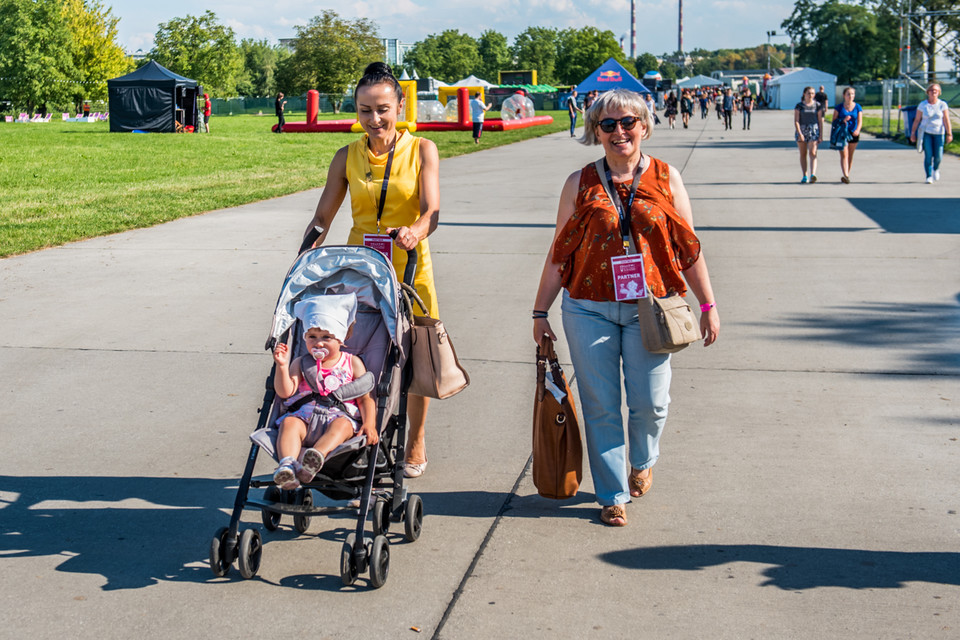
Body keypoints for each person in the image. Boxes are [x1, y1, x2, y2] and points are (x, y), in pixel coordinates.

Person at [531, 88, 720, 527]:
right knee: (600, 403)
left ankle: (643, 459)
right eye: (608, 124)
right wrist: (540, 312)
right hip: (587, 307)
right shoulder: (579, 183)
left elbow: (688, 248)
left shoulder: (667, 178)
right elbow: (560, 253)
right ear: (596, 131)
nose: (619, 132)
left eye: (627, 122)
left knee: (651, 403)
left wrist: (708, 303)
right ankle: (612, 494)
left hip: (650, 309)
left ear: (644, 126)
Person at [304, 62, 440, 478]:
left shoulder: (422, 150)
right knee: (358, 354)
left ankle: (415, 440)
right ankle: (351, 431)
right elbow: (323, 216)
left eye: (382, 109)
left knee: (416, 357)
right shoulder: (347, 156)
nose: (374, 119)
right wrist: (305, 255)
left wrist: (415, 232)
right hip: (360, 268)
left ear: (400, 105)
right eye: (365, 110)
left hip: (409, 264)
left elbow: (431, 211)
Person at [271, 293, 377, 490]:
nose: (318, 343)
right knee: (289, 422)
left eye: (326, 337)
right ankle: (287, 465)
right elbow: (286, 392)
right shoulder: (301, 362)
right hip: (304, 418)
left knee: (343, 426)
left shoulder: (352, 362)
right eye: (312, 337)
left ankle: (315, 457)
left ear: (342, 336)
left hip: (338, 417)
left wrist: (370, 423)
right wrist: (282, 367)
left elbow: (365, 398)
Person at [910, 83, 953, 183]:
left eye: (936, 91)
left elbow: (946, 120)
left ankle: (936, 169)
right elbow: (917, 119)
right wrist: (913, 133)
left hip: (939, 133)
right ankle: (928, 176)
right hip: (926, 133)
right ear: (928, 92)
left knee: (938, 156)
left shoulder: (942, 104)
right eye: (932, 90)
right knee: (928, 155)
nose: (934, 92)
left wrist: (949, 133)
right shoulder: (923, 105)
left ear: (939, 93)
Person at [794, 86, 824, 183]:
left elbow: (820, 120)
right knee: (803, 154)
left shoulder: (818, 105)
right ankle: (804, 175)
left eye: (812, 93)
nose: (810, 95)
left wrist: (821, 135)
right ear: (804, 94)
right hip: (802, 130)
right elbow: (796, 120)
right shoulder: (799, 106)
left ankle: (813, 174)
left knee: (813, 153)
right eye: (808, 93)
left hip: (813, 130)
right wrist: (800, 133)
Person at [834, 87, 863, 183]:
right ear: (844, 95)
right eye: (848, 94)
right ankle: (845, 175)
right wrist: (843, 120)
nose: (851, 96)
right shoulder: (839, 107)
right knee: (844, 154)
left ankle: (847, 175)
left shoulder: (858, 107)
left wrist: (858, 130)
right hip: (842, 133)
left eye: (852, 94)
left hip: (853, 133)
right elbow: (834, 121)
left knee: (850, 155)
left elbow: (860, 120)